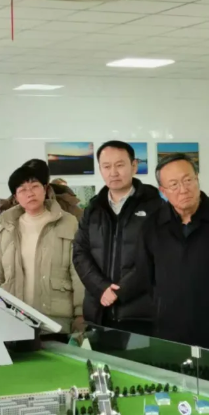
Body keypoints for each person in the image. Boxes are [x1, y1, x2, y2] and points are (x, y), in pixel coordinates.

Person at [125, 153, 209, 350]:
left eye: (188, 180)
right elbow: (145, 275)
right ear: (163, 191)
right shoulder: (151, 226)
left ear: (197, 179)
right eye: (174, 185)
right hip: (169, 330)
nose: (183, 189)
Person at [73, 140, 162, 334]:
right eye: (106, 166)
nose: (113, 172)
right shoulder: (92, 209)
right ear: (100, 169)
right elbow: (80, 253)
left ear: (134, 166)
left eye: (120, 165)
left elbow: (158, 256)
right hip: (98, 311)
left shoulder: (155, 206)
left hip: (141, 314)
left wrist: (120, 291)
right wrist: (101, 288)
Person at [0, 165, 84, 337]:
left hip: (55, 319)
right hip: (13, 318)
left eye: (34, 186)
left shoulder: (68, 222)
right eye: (22, 190)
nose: (30, 193)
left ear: (45, 189)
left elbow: (78, 271)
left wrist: (81, 312)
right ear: (16, 197)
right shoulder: (6, 226)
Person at [0, 159, 82, 243]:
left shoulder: (67, 209)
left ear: (45, 186)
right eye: (23, 185)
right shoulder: (9, 210)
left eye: (34, 185)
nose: (30, 193)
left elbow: (83, 243)